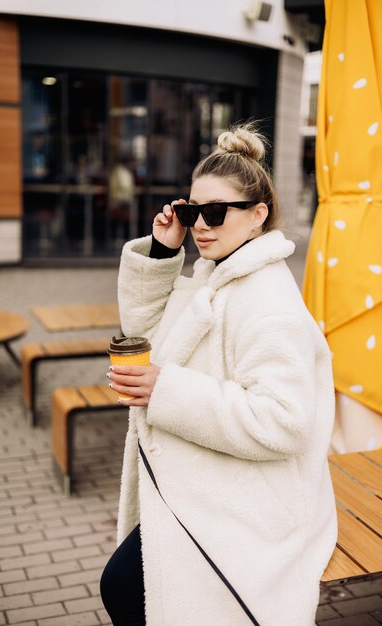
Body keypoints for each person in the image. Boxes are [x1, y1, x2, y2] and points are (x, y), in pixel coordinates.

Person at [100, 122, 338, 626]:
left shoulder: (267, 301)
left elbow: (284, 422)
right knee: (128, 587)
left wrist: (166, 389)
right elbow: (147, 332)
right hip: (209, 475)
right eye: (191, 211)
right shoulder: (216, 273)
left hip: (247, 499)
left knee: (127, 587)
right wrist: (165, 250)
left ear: (258, 216)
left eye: (214, 212)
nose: (201, 225)